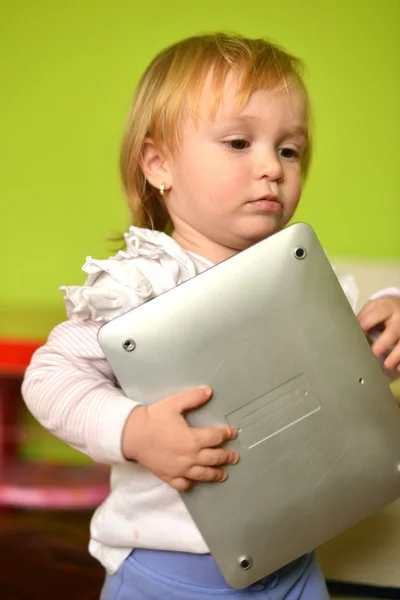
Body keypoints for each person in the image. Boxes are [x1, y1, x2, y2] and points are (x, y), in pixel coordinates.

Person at [22, 33, 400, 599]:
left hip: (294, 564)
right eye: (239, 142)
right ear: (158, 164)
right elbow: (48, 379)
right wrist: (135, 431)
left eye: (289, 149)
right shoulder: (138, 283)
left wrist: (391, 315)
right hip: (168, 572)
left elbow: (356, 370)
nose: (272, 166)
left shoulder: (303, 281)